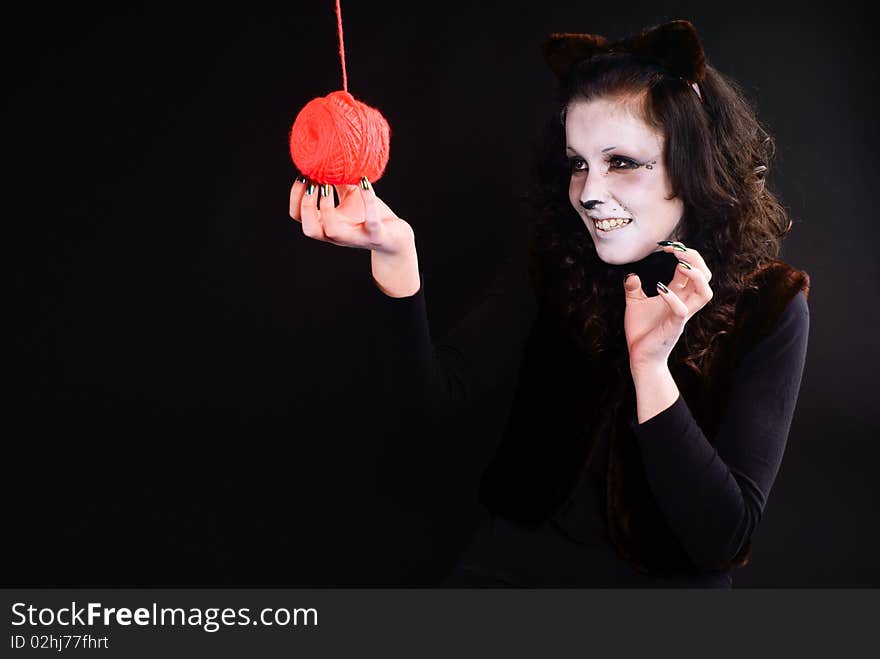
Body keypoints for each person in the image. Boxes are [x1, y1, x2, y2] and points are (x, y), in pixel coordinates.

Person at [287, 19, 810, 588]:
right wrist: (396, 260)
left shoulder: (771, 303)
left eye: (622, 163)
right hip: (513, 575)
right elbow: (423, 410)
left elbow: (721, 538)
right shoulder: (556, 260)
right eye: (578, 163)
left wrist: (650, 368)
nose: (588, 191)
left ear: (693, 167)